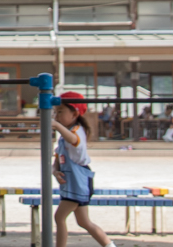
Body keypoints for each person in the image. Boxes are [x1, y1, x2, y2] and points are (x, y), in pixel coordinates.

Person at [52, 92, 117, 247]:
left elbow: (74, 140)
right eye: (56, 112)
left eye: (60, 111)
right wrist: (55, 171)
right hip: (72, 180)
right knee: (84, 221)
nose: (56, 115)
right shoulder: (63, 136)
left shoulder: (76, 130)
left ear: (74, 113)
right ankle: (109, 245)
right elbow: (57, 158)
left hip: (78, 180)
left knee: (59, 217)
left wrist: (56, 126)